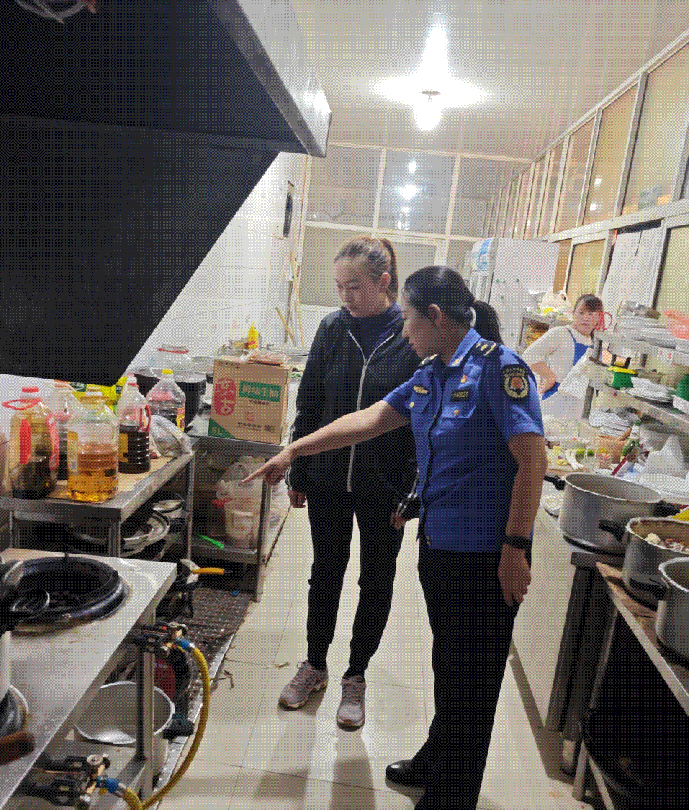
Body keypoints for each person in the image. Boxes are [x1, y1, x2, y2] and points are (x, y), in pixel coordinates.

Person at [247, 266, 547, 810]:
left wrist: (516, 547)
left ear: (435, 316)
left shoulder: (499, 370)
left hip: (487, 556)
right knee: (448, 666)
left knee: (474, 681)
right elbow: (368, 420)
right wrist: (294, 451)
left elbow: (532, 462)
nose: (404, 331)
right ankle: (436, 760)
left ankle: (452, 796)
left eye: (408, 318)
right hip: (439, 545)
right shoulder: (433, 373)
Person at [277, 236, 420, 731]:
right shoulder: (332, 328)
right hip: (329, 479)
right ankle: (315, 665)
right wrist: (298, 467)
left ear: (384, 282)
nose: (345, 296)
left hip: (387, 486)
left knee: (376, 580)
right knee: (325, 573)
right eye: (339, 287)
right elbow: (310, 401)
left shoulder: (409, 334)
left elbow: (423, 419)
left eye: (354, 286)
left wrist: (411, 491)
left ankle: (356, 676)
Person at [521, 292, 604, 420]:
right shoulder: (561, 333)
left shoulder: (596, 345)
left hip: (578, 407)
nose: (586, 318)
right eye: (581, 313)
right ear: (573, 313)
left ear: (598, 318)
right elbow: (529, 355)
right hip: (554, 402)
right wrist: (549, 376)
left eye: (591, 314)